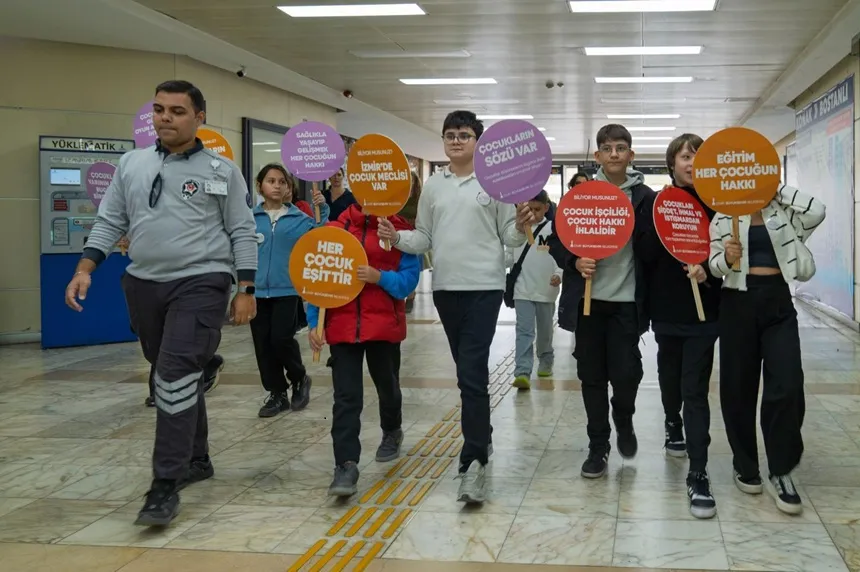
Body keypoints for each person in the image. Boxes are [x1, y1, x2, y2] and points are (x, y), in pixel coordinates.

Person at [64, 80, 257, 527]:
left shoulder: (221, 170)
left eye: (177, 110)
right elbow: (111, 219)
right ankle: (197, 457)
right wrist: (84, 268)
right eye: (159, 109)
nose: (165, 117)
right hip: (144, 284)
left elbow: (242, 229)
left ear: (199, 118)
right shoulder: (131, 163)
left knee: (171, 374)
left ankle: (165, 485)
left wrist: (246, 289)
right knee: (172, 371)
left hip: (202, 281)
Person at [378, 110, 534, 504]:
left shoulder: (495, 182)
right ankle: (483, 434)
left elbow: (509, 237)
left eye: (464, 135)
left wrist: (520, 224)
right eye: (450, 135)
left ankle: (473, 461)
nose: (456, 141)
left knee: (471, 374)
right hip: (446, 290)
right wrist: (396, 238)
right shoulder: (434, 186)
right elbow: (424, 237)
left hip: (484, 288)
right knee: (468, 373)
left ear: (478, 142)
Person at [709, 182, 825, 516]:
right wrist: (726, 258)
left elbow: (817, 210)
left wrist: (775, 188)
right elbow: (714, 265)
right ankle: (745, 464)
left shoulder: (783, 211)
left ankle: (781, 468)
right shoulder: (724, 215)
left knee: (787, 384)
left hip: (778, 301)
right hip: (737, 303)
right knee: (738, 387)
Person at [547, 124, 654, 479]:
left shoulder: (646, 198)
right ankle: (598, 445)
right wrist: (574, 261)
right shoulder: (582, 195)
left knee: (626, 374)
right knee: (591, 376)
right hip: (588, 302)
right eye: (607, 148)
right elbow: (559, 240)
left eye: (620, 148)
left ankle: (623, 415)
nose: (614, 154)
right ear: (597, 156)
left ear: (631, 155)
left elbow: (654, 247)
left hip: (626, 302)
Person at [307, 203, 420, 497]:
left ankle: (392, 430)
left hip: (384, 327)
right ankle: (345, 464)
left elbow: (408, 281)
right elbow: (318, 277)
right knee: (346, 397)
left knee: (387, 385)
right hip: (343, 328)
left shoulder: (400, 232)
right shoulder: (334, 230)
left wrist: (379, 277)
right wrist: (314, 323)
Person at [638, 133, 721, 519]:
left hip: (706, 311)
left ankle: (698, 473)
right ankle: (672, 420)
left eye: (698, 156)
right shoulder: (657, 203)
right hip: (667, 308)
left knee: (695, 390)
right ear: (672, 164)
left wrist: (709, 271)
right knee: (670, 377)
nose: (692, 163)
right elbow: (644, 254)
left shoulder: (719, 204)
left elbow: (728, 259)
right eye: (685, 157)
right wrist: (668, 231)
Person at [251, 164, 328, 417]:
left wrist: (322, 210)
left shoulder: (300, 220)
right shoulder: (249, 219)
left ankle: (299, 377)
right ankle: (277, 393)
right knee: (263, 345)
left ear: (289, 188)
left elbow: (320, 237)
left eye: (282, 181)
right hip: (256, 292)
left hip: (287, 291)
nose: (276, 185)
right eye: (271, 180)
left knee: (281, 339)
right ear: (260, 185)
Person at [506, 191, 562, 389]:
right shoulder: (517, 230)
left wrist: (559, 274)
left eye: (537, 209)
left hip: (546, 290)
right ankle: (522, 371)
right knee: (524, 331)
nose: (533, 213)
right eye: (529, 209)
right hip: (522, 289)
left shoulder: (553, 229)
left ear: (546, 207)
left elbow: (561, 257)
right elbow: (509, 256)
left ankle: (546, 358)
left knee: (545, 331)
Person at [399, 173, 423, 313]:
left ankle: (411, 295)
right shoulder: (399, 198)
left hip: (414, 235)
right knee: (399, 265)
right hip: (399, 235)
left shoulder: (419, 199)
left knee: (412, 266)